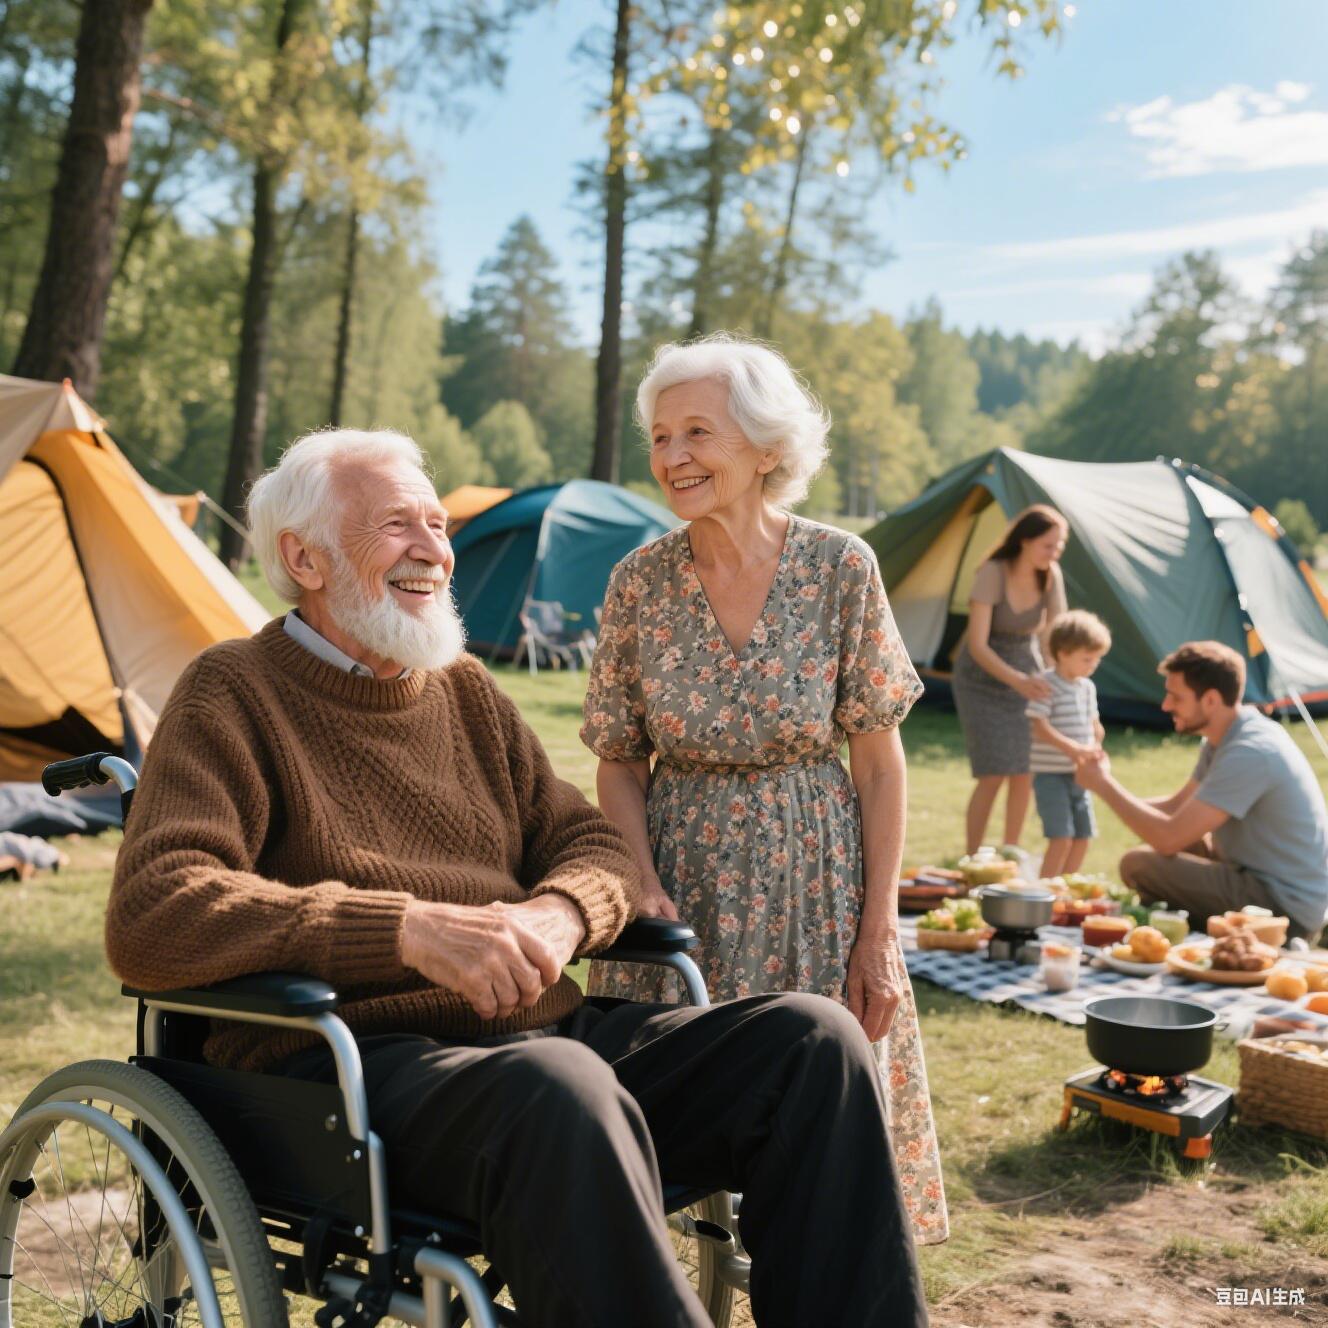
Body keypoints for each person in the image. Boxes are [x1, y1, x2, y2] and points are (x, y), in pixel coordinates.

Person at [105, 428, 928, 1328]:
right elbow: (156, 907)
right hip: (351, 1074)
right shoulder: (233, 691)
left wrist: (560, 917)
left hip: (541, 1045)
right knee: (560, 1087)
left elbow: (593, 843)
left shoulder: (463, 691)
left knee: (813, 1040)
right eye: (396, 526)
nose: (434, 550)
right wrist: (408, 930)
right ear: (302, 557)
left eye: (436, 523)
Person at [581, 333, 948, 1245]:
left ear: (765, 447)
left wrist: (878, 932)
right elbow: (619, 760)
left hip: (816, 889)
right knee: (663, 1132)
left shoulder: (840, 568)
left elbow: (877, 760)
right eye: (661, 437)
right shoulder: (639, 582)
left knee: (817, 1124)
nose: (673, 457)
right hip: (683, 888)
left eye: (698, 432)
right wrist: (638, 875)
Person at [1076, 640, 1328, 942]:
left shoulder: (1250, 752)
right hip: (1252, 872)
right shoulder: (1224, 737)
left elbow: (1169, 838)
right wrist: (1098, 791)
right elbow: (1176, 807)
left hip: (1283, 906)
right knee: (1178, 846)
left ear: (1210, 699)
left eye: (1175, 697)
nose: (1165, 706)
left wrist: (1105, 785)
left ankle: (1185, 935)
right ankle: (1181, 930)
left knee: (1140, 865)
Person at [951, 504, 1068, 855]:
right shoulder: (993, 571)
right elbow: (978, 644)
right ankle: (972, 857)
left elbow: (1055, 634)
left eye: (1059, 545)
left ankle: (1009, 852)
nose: (1055, 552)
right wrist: (1018, 681)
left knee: (1024, 770)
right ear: (1025, 541)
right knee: (993, 772)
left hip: (1025, 670)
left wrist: (1053, 675)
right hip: (981, 678)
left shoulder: (1051, 574)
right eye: (1049, 545)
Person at [1025, 610, 1111, 879]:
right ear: (1063, 653)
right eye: (1087, 658)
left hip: (1080, 775)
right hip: (1052, 775)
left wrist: (1097, 742)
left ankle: (1066, 887)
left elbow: (1094, 724)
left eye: (1097, 659)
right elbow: (1039, 728)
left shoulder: (1087, 687)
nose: (1093, 664)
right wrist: (1073, 749)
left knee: (1083, 836)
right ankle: (1045, 889)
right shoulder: (1046, 684)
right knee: (1061, 837)